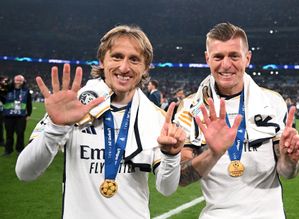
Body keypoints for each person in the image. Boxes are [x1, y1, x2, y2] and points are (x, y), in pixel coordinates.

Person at [15, 25, 185, 219]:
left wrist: (171, 156)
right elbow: (25, 172)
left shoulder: (155, 117)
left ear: (145, 67)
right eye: (117, 56)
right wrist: (56, 128)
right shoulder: (75, 106)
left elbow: (167, 189)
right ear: (102, 61)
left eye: (134, 59)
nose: (124, 67)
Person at [175, 22, 299, 219]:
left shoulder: (272, 102)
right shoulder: (191, 107)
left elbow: (287, 172)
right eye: (218, 56)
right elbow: (180, 178)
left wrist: (290, 160)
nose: (226, 65)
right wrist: (213, 153)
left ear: (247, 58)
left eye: (234, 56)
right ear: (207, 58)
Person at [1, 75, 32, 155]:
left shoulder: (26, 90)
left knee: (20, 133)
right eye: (17, 80)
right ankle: (8, 150)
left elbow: (29, 103)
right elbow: (3, 100)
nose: (18, 82)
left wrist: (29, 114)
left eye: (20, 80)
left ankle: (20, 150)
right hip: (8, 115)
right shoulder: (7, 89)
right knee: (9, 133)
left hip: (21, 116)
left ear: (23, 81)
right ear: (14, 80)